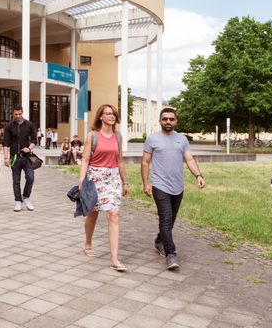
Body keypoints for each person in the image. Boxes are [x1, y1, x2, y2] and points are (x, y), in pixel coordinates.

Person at [141, 107, 205, 270]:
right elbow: (145, 162)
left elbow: (189, 159)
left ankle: (159, 241)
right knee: (165, 218)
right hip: (160, 185)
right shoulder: (152, 139)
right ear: (160, 121)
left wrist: (198, 175)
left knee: (170, 220)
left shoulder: (182, 139)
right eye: (165, 119)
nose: (168, 121)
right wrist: (146, 183)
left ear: (175, 121)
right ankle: (171, 254)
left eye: (171, 119)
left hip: (178, 186)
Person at [79, 104, 129, 271]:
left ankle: (114, 259)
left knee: (113, 214)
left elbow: (120, 160)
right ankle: (87, 243)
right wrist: (81, 180)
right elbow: (85, 160)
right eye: (108, 113)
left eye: (113, 113)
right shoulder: (92, 136)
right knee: (93, 214)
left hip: (113, 178)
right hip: (94, 178)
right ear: (100, 116)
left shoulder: (118, 136)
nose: (112, 116)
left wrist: (125, 181)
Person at [3, 104, 38, 212]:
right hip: (14, 157)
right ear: (13, 113)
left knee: (30, 177)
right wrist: (5, 158)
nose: (17, 116)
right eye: (15, 114)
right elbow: (5, 143)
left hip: (26, 157)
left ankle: (26, 197)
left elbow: (34, 139)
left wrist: (29, 148)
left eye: (19, 114)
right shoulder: (9, 126)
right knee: (16, 181)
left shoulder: (29, 124)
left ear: (22, 112)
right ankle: (18, 201)